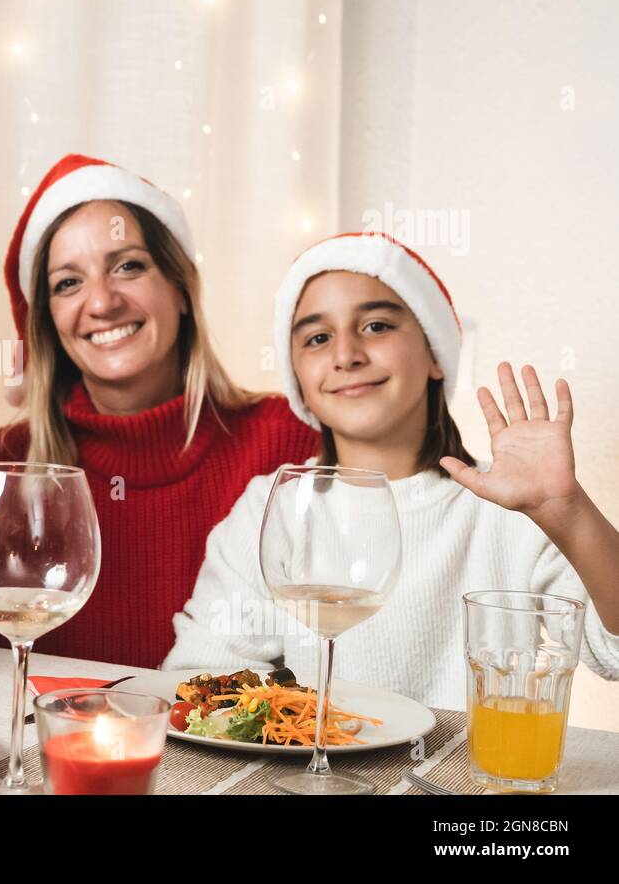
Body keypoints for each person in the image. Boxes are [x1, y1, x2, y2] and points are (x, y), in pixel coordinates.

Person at [0, 154, 320, 668]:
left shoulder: (290, 444)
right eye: (68, 283)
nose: (102, 302)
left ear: (181, 289)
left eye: (128, 265)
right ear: (49, 323)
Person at [163, 232, 619, 708]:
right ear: (298, 375)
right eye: (318, 338)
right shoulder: (270, 504)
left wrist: (567, 511)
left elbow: (613, 655)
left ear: (435, 354)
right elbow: (202, 671)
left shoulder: (512, 507)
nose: (346, 356)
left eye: (377, 326)